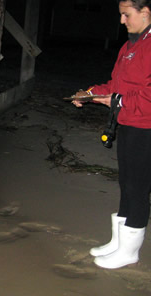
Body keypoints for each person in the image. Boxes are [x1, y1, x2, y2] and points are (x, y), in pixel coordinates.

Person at [72, 0, 151, 269]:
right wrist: (91, 94)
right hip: (127, 123)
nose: (121, 21)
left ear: (145, 13)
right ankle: (120, 242)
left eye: (126, 15)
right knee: (126, 184)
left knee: (138, 188)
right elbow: (115, 87)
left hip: (147, 126)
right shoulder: (129, 46)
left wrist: (117, 100)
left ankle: (130, 252)